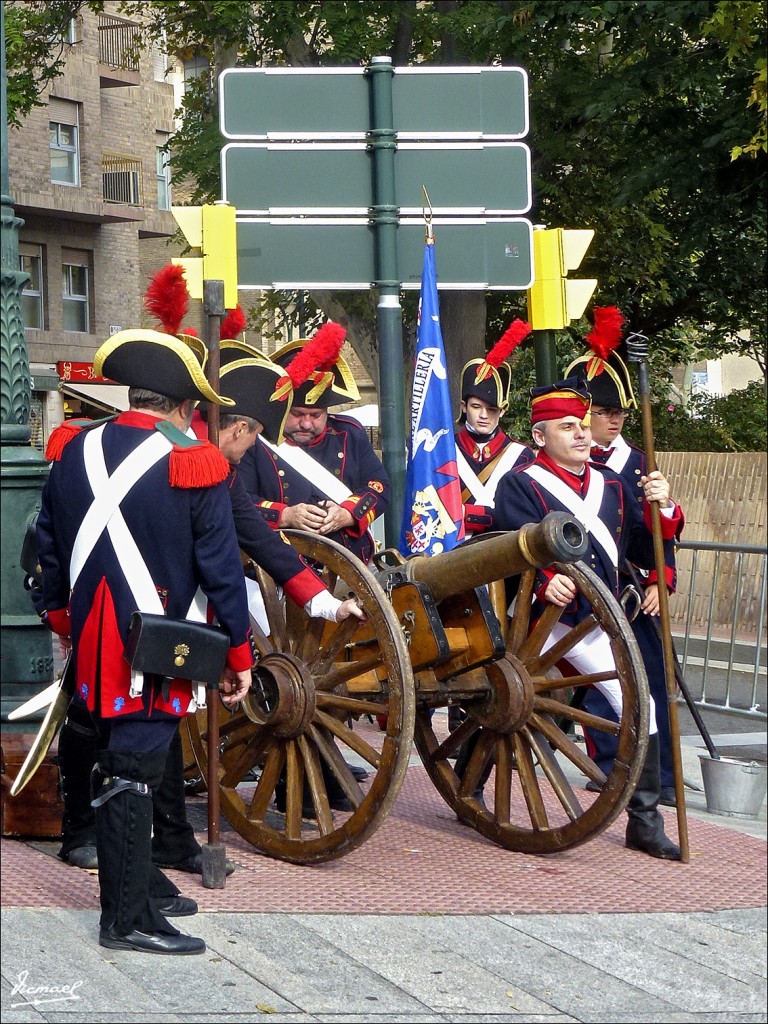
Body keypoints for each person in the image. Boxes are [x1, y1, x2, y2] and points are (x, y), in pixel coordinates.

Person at [36, 327, 256, 955]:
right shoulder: (195, 458)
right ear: (184, 404)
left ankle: (142, 880)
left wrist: (61, 617)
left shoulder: (73, 447)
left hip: (92, 636)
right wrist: (237, 652)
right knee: (133, 769)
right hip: (155, 645)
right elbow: (221, 568)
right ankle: (125, 918)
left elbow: (48, 544)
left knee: (120, 759)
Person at [493, 376, 683, 860]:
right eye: (566, 426)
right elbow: (511, 545)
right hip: (547, 619)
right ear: (540, 436)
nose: (581, 434)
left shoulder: (614, 486)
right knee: (499, 700)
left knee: (641, 704)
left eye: (582, 425)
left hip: (602, 618)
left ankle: (643, 818)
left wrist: (664, 505)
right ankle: (472, 789)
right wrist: (539, 581)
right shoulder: (521, 484)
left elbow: (644, 546)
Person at [564, 308, 680, 805]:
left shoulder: (636, 463)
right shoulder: (548, 464)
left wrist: (661, 578)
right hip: (567, 593)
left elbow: (657, 535)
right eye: (605, 412)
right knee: (596, 685)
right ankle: (609, 766)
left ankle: (660, 778)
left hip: (627, 589)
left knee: (652, 675)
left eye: (620, 414)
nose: (614, 420)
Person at [237, 323, 390, 567]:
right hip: (276, 563)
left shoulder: (349, 433)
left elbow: (379, 487)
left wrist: (348, 513)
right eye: (298, 414)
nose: (307, 424)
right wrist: (286, 515)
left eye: (316, 415)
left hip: (346, 562)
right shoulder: (256, 440)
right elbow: (239, 500)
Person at [455, 319, 535, 535]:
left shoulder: (522, 456)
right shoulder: (443, 451)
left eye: (492, 409)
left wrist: (466, 514)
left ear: (503, 410)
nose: (483, 415)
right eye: (475, 406)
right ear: (463, 406)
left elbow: (523, 516)